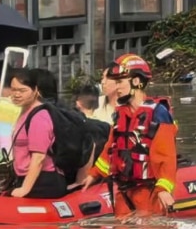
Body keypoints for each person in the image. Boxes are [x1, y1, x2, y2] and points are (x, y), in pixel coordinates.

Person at [74, 54, 178, 218]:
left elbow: (166, 157)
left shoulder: (158, 113)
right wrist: (94, 174)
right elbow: (111, 148)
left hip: (149, 191)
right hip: (124, 191)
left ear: (136, 82)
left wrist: (163, 189)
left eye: (120, 82)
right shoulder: (121, 113)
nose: (117, 88)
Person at [5, 68, 66, 199]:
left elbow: (38, 158)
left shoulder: (39, 117)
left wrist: (25, 189)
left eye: (22, 90)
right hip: (26, 177)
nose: (16, 94)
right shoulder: (24, 111)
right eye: (13, 89)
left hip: (42, 180)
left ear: (36, 90)